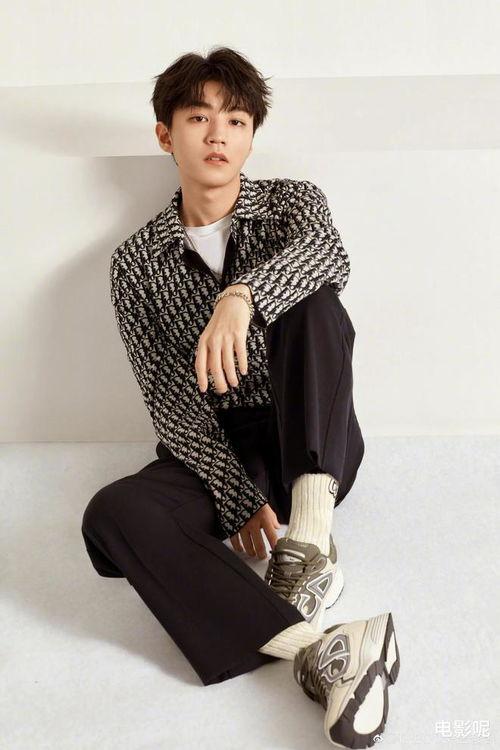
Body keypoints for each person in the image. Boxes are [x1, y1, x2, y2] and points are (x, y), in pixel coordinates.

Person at [81, 46, 400, 748]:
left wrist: (242, 296)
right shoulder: (135, 263)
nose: (217, 134)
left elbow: (329, 255)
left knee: (314, 302)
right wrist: (234, 494)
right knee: (114, 513)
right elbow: (168, 395)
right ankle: (323, 653)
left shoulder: (292, 203)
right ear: (165, 134)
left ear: (253, 135)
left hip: (307, 430)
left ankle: (308, 543)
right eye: (198, 118)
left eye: (235, 120)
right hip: (219, 449)